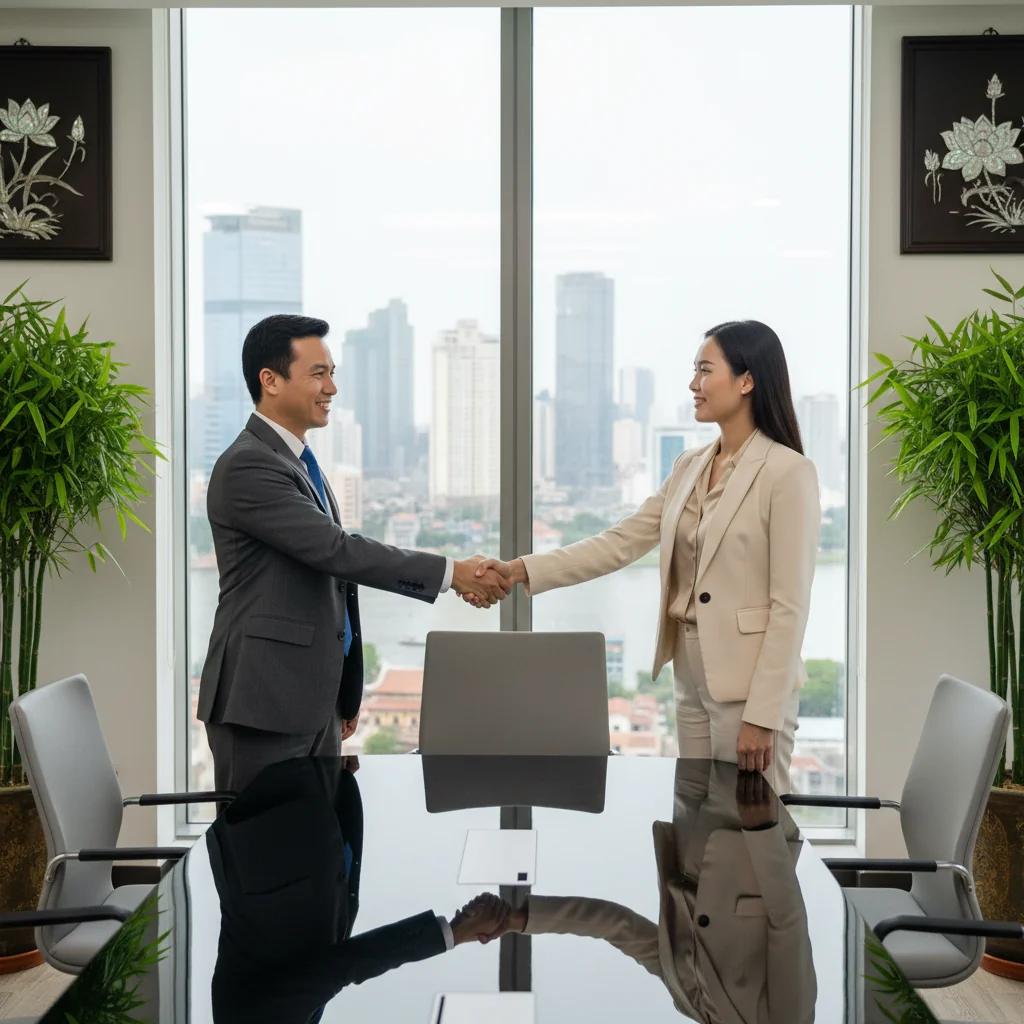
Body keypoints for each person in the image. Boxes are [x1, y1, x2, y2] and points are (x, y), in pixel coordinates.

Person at [470, 321, 819, 793]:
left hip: (749, 686)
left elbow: (790, 607)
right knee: (696, 824)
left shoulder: (788, 472)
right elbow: (618, 543)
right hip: (690, 676)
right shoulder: (689, 466)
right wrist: (519, 570)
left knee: (752, 835)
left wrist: (763, 713)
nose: (693, 385)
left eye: (704, 371)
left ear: (746, 380)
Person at [197, 314, 511, 794]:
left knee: (313, 850)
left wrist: (344, 695)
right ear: (270, 381)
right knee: (259, 856)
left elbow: (331, 586)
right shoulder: (248, 466)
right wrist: (454, 573)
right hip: (261, 702)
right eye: (318, 374)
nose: (332, 388)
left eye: (333, 373)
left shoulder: (300, 462)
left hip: (308, 701)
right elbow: (337, 552)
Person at [474, 762, 817, 1024]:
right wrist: (763, 832)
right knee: (743, 701)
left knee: (698, 693)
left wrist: (521, 920)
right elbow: (788, 922)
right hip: (746, 832)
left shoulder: (688, 1003)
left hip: (689, 826)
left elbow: (618, 926)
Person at [207, 756, 512, 1024]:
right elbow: (326, 949)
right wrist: (339, 787)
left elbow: (343, 965)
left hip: (271, 809)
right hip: (309, 806)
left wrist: (454, 933)